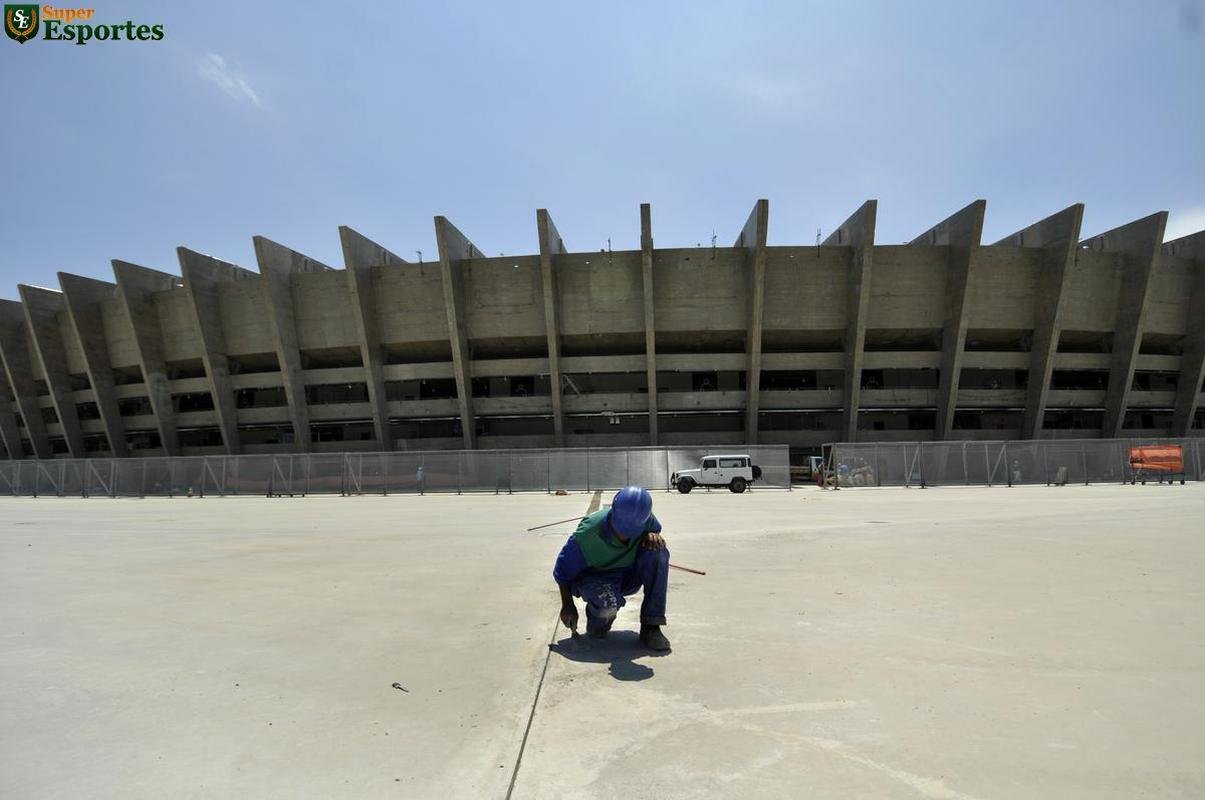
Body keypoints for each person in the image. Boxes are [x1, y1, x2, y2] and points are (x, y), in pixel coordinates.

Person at [553, 486, 671, 652]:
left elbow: (655, 529)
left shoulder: (645, 519)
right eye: (621, 530)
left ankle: (651, 626)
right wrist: (567, 605)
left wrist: (650, 535)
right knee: (606, 607)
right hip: (595, 578)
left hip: (626, 574)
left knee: (658, 552)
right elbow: (562, 572)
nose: (625, 536)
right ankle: (597, 622)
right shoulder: (587, 535)